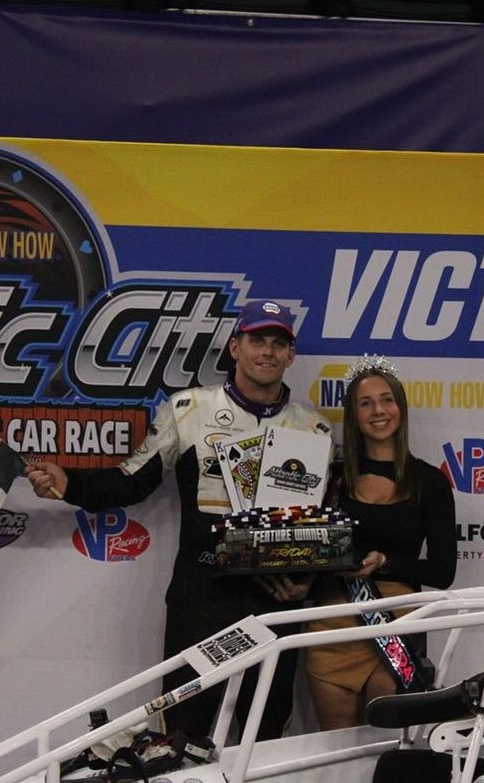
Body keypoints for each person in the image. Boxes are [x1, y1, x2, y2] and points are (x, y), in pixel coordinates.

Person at [26, 299, 331, 742]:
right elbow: (131, 482)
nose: (267, 351)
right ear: (235, 347)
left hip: (273, 603)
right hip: (202, 597)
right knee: (184, 734)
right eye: (257, 340)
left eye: (278, 343)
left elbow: (323, 530)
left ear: (290, 355)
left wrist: (307, 583)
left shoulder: (315, 429)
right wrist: (69, 483)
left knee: (265, 740)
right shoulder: (189, 409)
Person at [304, 354, 457, 731]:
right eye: (366, 402)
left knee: (386, 747)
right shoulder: (328, 479)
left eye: (387, 400)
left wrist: (385, 561)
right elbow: (304, 547)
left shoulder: (430, 482)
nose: (378, 411)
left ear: (401, 408)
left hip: (398, 624)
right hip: (332, 627)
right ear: (353, 414)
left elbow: (443, 571)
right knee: (336, 754)